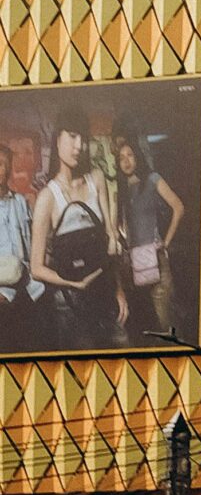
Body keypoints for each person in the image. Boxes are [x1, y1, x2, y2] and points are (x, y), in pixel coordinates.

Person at [30, 122, 124, 346]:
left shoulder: (96, 180)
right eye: (72, 136)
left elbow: (109, 244)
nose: (79, 146)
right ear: (57, 139)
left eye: (82, 139)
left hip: (105, 295)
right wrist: (74, 284)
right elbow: (35, 268)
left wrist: (120, 291)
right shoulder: (47, 197)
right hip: (69, 304)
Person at [113, 128, 185, 340]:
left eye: (130, 155)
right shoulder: (121, 191)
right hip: (134, 267)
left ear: (138, 156)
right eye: (121, 158)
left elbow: (178, 207)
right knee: (145, 325)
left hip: (157, 260)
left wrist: (166, 241)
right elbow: (118, 227)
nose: (126, 161)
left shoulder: (153, 179)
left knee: (166, 322)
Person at [0, 145, 42, 351]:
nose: (0, 170)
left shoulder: (20, 203)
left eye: (3, 165)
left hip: (28, 293)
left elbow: (33, 244)